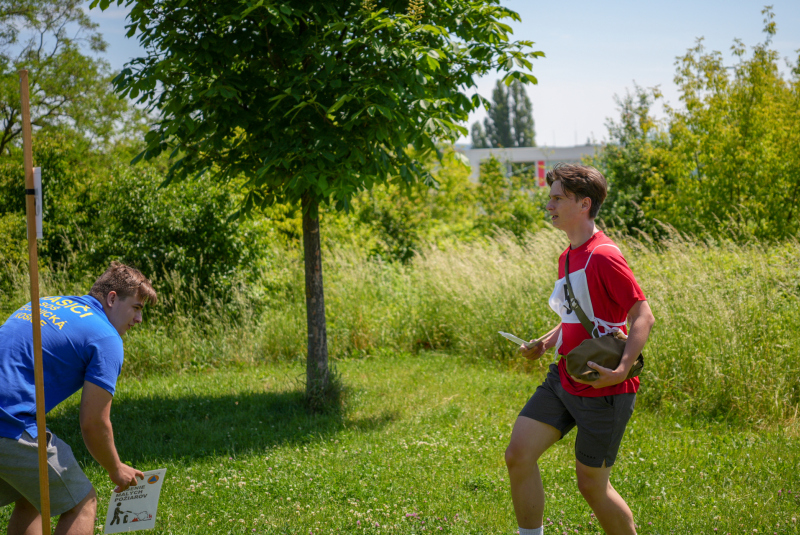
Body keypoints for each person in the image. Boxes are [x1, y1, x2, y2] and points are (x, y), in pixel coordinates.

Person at [505, 164, 655, 535]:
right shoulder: (568, 255)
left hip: (603, 386)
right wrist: (545, 341)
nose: (549, 204)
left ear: (584, 204)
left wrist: (621, 370)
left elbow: (643, 314)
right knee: (518, 455)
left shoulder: (603, 255)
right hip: (563, 377)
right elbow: (575, 319)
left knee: (592, 486)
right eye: (550, 197)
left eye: (558, 198)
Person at [0, 262, 157, 535]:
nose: (139, 319)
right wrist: (115, 467)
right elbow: (93, 422)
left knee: (36, 491)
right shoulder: (106, 338)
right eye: (136, 308)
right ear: (111, 298)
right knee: (82, 503)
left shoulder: (46, 302)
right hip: (9, 424)